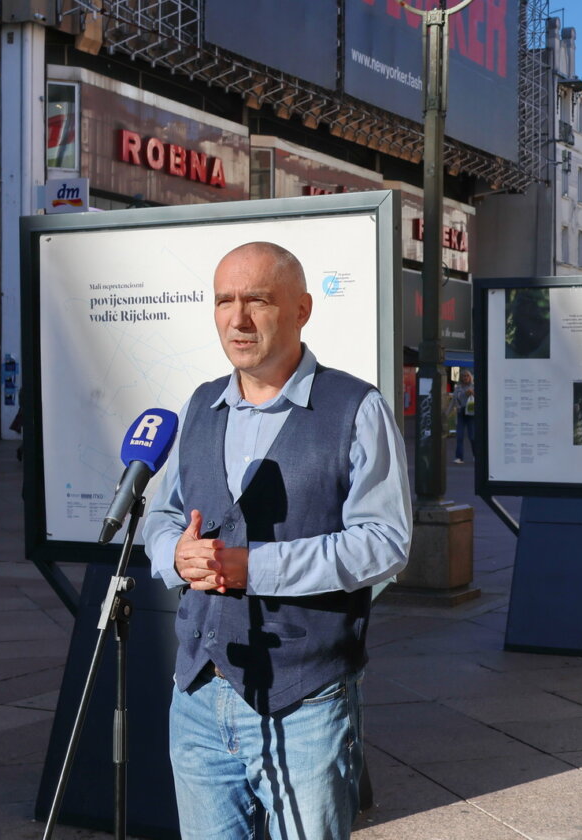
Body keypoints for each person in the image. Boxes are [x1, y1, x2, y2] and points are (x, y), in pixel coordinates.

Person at [142, 241, 412, 840]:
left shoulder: (355, 408)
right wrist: (173, 555)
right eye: (224, 301)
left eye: (257, 300)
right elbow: (159, 517)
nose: (237, 319)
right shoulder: (200, 406)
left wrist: (252, 568)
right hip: (197, 696)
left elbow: (385, 541)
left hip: (307, 700)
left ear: (302, 310)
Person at [446, 369, 475, 463]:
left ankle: (476, 455)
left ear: (470, 377)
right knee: (459, 436)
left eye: (467, 376)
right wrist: (447, 414)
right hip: (460, 412)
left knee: (472, 436)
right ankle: (459, 457)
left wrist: (473, 393)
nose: (465, 378)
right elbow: (453, 401)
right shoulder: (458, 388)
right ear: (461, 378)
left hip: (471, 413)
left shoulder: (474, 387)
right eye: (463, 376)